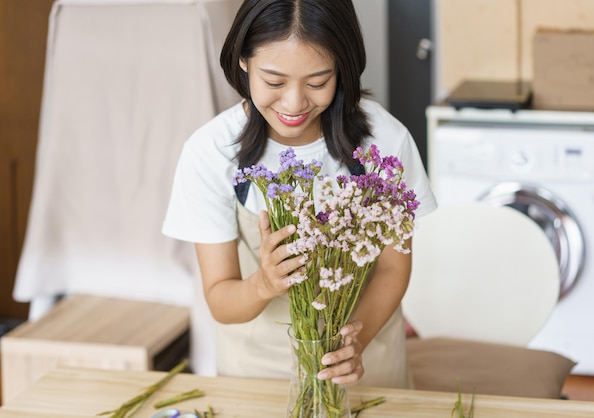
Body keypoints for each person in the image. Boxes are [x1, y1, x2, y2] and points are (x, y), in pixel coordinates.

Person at [163, 0, 437, 388]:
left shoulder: (385, 141)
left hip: (368, 372)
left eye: (317, 82)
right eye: (274, 82)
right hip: (259, 384)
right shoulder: (211, 151)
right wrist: (265, 283)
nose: (294, 104)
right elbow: (220, 300)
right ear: (243, 61)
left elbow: (394, 268)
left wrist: (355, 345)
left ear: (343, 66)